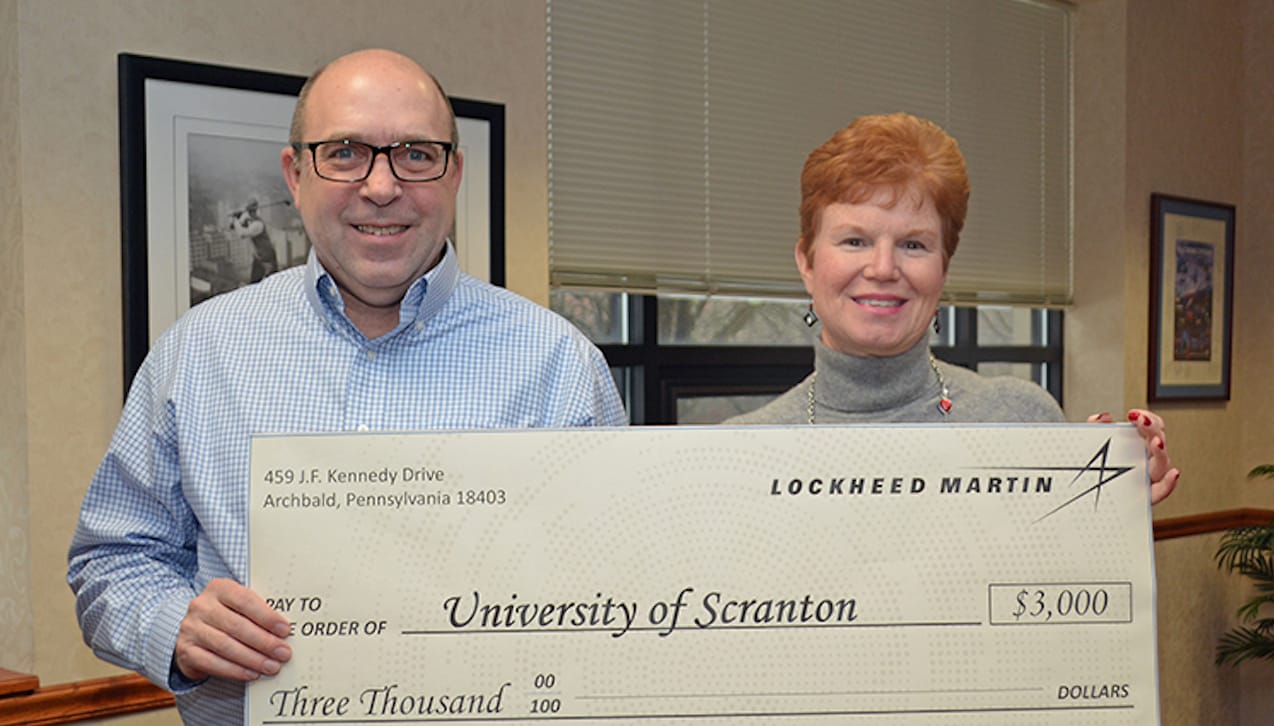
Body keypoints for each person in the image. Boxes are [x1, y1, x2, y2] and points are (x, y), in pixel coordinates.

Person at [67, 49, 626, 724]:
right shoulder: (199, 352)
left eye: (416, 154)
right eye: (345, 153)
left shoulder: (558, 365)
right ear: (295, 174)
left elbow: (613, 592)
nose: (382, 186)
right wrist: (173, 626)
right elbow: (112, 561)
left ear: (455, 173)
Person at [727, 113, 1180, 504]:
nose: (883, 268)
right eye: (855, 241)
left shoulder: (1020, 419)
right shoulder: (736, 455)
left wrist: (1103, 513)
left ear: (943, 268)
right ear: (806, 261)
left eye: (913, 244)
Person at [230, 197, 280, 282]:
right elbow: (235, 226)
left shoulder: (258, 224)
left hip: (267, 257)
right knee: (254, 282)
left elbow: (242, 234)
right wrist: (239, 219)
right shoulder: (251, 220)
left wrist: (235, 220)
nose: (249, 213)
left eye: (250, 211)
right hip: (259, 257)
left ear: (254, 211)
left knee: (271, 282)